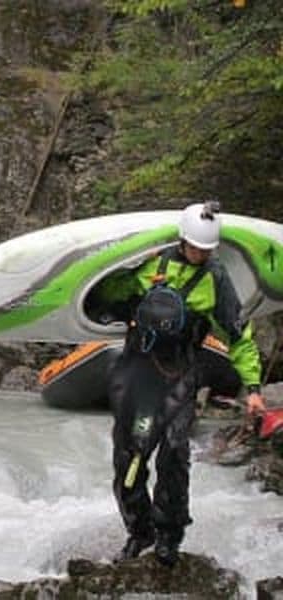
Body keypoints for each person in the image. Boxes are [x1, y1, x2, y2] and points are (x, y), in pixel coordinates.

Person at [94, 201, 267, 567]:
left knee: (174, 453)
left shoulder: (216, 278)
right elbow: (107, 292)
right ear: (182, 240)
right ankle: (139, 531)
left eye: (208, 250)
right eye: (196, 248)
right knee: (130, 456)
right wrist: (113, 277)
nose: (202, 255)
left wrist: (253, 389)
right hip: (139, 374)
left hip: (179, 375)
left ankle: (168, 536)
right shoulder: (150, 263)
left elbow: (238, 335)